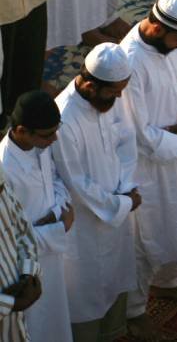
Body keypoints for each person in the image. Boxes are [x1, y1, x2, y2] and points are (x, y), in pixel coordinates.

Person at [115, 0, 177, 329]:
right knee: (144, 237)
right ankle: (135, 311)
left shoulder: (176, 42)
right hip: (146, 166)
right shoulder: (129, 61)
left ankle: (167, 283)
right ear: (156, 26)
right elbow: (138, 131)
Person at [53, 44, 141, 342]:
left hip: (118, 203)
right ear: (90, 84)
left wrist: (126, 188)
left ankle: (113, 331)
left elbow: (127, 141)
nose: (119, 98)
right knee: (85, 286)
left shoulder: (109, 96)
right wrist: (120, 203)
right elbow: (76, 182)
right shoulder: (64, 118)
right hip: (85, 221)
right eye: (114, 92)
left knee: (116, 273)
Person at [0, 90, 71, 342]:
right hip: (25, 266)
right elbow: (9, 236)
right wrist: (57, 227)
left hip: (51, 249)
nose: (54, 138)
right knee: (33, 325)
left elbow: (55, 180)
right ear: (21, 130)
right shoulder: (4, 168)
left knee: (54, 318)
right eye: (47, 134)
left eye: (56, 130)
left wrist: (59, 211)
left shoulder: (37, 146)